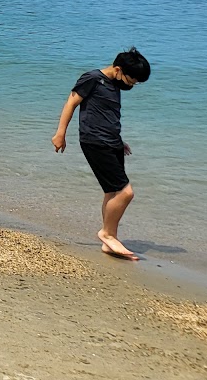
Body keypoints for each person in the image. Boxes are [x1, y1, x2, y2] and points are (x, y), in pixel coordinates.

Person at [52, 47, 152, 261]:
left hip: (112, 142)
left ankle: (109, 241)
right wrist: (60, 133)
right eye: (131, 80)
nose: (132, 85)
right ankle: (106, 233)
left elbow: (106, 115)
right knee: (125, 193)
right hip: (95, 142)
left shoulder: (115, 84)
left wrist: (119, 141)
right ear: (118, 69)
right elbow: (71, 103)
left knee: (111, 192)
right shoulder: (92, 78)